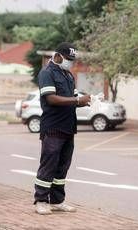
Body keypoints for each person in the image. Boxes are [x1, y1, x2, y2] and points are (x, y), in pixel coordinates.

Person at [34, 42, 91, 215]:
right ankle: (41, 201)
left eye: (72, 60)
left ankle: (57, 201)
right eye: (68, 59)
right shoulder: (47, 73)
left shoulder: (67, 75)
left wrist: (88, 100)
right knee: (48, 165)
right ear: (57, 55)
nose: (70, 63)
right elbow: (51, 99)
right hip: (53, 127)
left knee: (62, 167)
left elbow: (72, 100)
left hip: (68, 127)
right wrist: (76, 101)